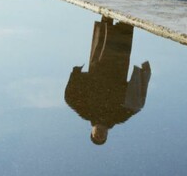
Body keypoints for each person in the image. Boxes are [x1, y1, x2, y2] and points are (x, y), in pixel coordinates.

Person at [64, 16, 152, 145]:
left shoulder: (86, 112)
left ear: (92, 131)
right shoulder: (118, 117)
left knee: (105, 32)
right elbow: (136, 105)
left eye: (96, 136)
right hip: (118, 68)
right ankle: (126, 10)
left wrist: (76, 74)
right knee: (125, 30)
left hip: (99, 67)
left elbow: (70, 98)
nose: (100, 134)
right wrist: (143, 75)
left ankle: (108, 9)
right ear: (107, 135)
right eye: (102, 137)